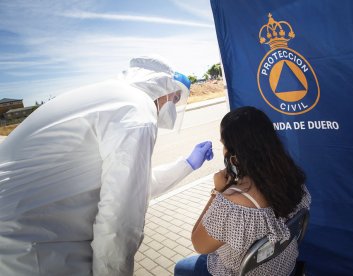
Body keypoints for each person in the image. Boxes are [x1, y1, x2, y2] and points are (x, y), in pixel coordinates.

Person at [0, 56, 214, 276]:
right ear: (161, 87)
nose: (174, 105)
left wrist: (187, 164)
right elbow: (120, 219)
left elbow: (137, 187)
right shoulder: (137, 111)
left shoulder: (110, 98)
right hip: (33, 245)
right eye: (175, 98)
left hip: (18, 232)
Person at [175, 106, 311, 276]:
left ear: (235, 155)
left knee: (181, 267)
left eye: (223, 145)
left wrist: (217, 192)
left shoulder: (233, 205)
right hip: (283, 267)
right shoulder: (294, 181)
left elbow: (199, 244)